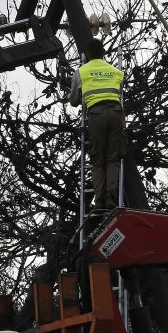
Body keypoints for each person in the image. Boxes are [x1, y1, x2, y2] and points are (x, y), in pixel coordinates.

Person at [68, 38, 125, 210]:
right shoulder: (116, 72)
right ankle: (111, 198)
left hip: (96, 114)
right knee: (112, 158)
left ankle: (99, 200)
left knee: (98, 160)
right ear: (103, 54)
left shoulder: (82, 72)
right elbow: (120, 93)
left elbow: (73, 100)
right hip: (116, 113)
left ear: (87, 55)